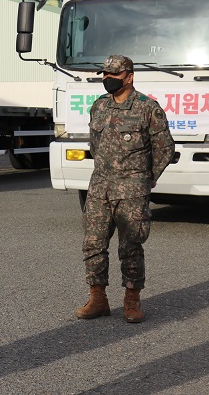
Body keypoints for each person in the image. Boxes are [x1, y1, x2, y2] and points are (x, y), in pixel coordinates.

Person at [76, 54, 175, 323]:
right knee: (93, 244)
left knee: (130, 246)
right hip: (99, 187)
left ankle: (132, 301)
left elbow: (165, 148)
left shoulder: (147, 108)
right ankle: (98, 299)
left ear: (129, 77)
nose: (108, 79)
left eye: (114, 75)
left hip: (132, 190)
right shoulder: (99, 106)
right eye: (105, 75)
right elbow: (95, 146)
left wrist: (146, 178)